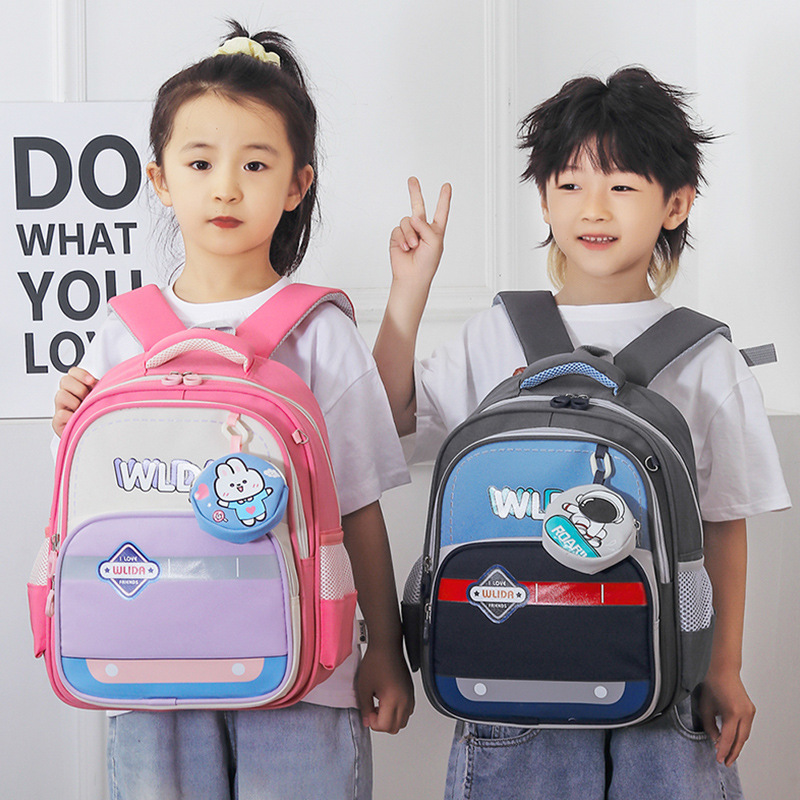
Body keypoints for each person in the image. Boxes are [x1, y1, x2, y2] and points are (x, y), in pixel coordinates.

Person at [373, 67, 790, 800]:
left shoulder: (706, 354)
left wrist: (723, 667)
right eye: (569, 185)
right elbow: (383, 428)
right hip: (512, 671)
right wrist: (409, 291)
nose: (594, 208)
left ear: (676, 203)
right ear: (543, 198)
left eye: (623, 186)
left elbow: (723, 527)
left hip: (664, 682)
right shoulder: (494, 330)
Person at [53, 22, 413, 800]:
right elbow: (96, 495)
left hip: (303, 668)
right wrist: (75, 410)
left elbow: (359, 508)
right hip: (150, 660)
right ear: (159, 179)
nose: (224, 187)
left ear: (296, 185)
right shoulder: (122, 328)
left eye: (255, 164)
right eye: (200, 162)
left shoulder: (320, 329)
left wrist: (384, 646)